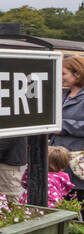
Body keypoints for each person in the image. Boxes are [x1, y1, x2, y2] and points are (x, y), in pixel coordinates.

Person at [51, 54, 84, 194]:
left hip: (78, 161)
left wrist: (61, 125)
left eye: (64, 73)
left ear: (77, 73)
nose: (61, 77)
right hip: (58, 161)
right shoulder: (63, 94)